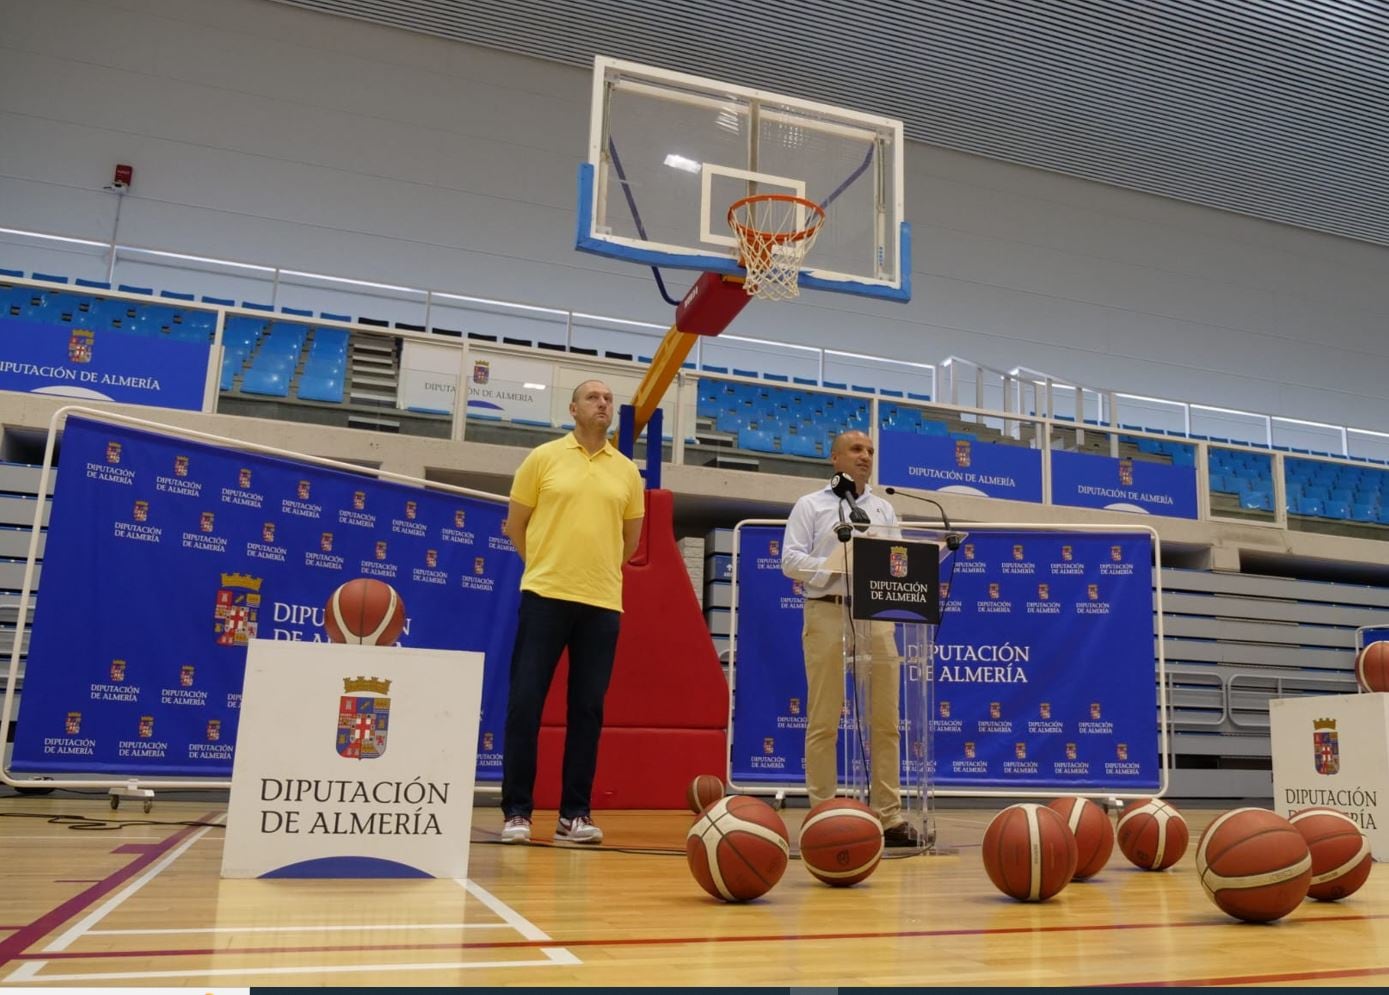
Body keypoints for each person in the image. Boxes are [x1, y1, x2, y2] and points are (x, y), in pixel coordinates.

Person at [499, 379, 645, 844]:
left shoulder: (627, 472)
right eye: (593, 398)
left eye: (608, 399)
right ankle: (517, 812)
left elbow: (630, 542)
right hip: (544, 595)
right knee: (525, 703)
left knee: (587, 710)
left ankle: (574, 815)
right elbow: (515, 526)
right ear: (573, 409)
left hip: (601, 603)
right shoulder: (542, 458)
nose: (603, 403)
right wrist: (546, 565)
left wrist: (593, 571)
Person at [780, 430, 922, 847]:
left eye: (870, 451)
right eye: (856, 449)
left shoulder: (883, 508)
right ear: (835, 457)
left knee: (886, 721)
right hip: (826, 609)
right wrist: (833, 566)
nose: (865, 457)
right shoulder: (811, 505)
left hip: (875, 616)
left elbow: (899, 562)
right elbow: (789, 560)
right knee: (824, 719)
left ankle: (889, 816)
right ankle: (823, 812)